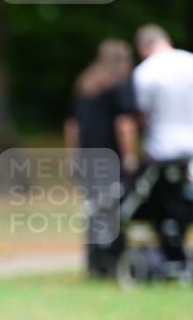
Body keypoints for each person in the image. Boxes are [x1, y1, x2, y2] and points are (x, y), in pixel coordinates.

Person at [64, 39, 140, 276]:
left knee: (94, 210)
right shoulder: (121, 85)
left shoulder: (85, 83)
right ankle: (115, 259)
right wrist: (130, 156)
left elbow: (72, 125)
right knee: (116, 208)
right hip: (111, 157)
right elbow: (124, 124)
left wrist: (73, 156)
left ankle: (95, 262)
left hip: (88, 158)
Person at [131, 25, 193, 266]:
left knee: (162, 203)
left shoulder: (145, 72)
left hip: (162, 150)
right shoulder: (189, 62)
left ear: (143, 47)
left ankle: (170, 250)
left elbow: (142, 115)